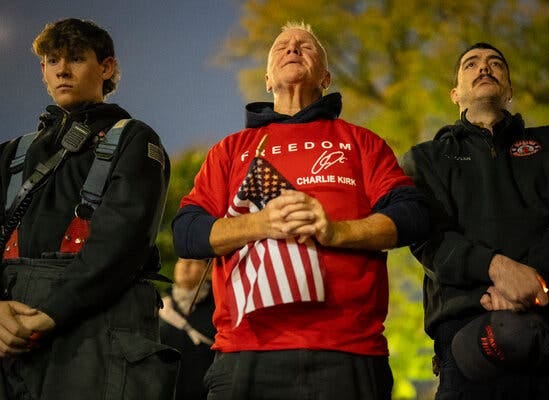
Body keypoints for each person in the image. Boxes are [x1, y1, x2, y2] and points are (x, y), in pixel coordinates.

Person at [172, 21, 430, 400]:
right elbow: (186, 231)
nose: (293, 48)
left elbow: (413, 215)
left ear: (325, 77)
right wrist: (259, 223)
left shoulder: (361, 142)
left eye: (306, 46)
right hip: (244, 351)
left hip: (347, 350)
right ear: (267, 79)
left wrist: (335, 231)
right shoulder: (229, 150)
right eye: (282, 46)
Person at [401, 42, 549, 399]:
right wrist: (495, 268)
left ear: (509, 90)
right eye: (471, 65)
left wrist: (530, 279)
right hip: (472, 343)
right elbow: (429, 238)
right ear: (455, 93)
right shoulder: (426, 159)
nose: (484, 68)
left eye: (496, 64)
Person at [0, 18, 178, 399]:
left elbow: (123, 242)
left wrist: (51, 312)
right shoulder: (12, 152)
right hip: (7, 324)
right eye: (52, 60)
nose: (62, 69)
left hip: (94, 331)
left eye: (77, 58)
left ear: (107, 67)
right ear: (43, 70)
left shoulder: (134, 139)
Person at [159, 258, 216, 400]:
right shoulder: (160, 306)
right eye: (181, 261)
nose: (185, 266)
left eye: (193, 262)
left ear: (207, 270)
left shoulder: (218, 307)